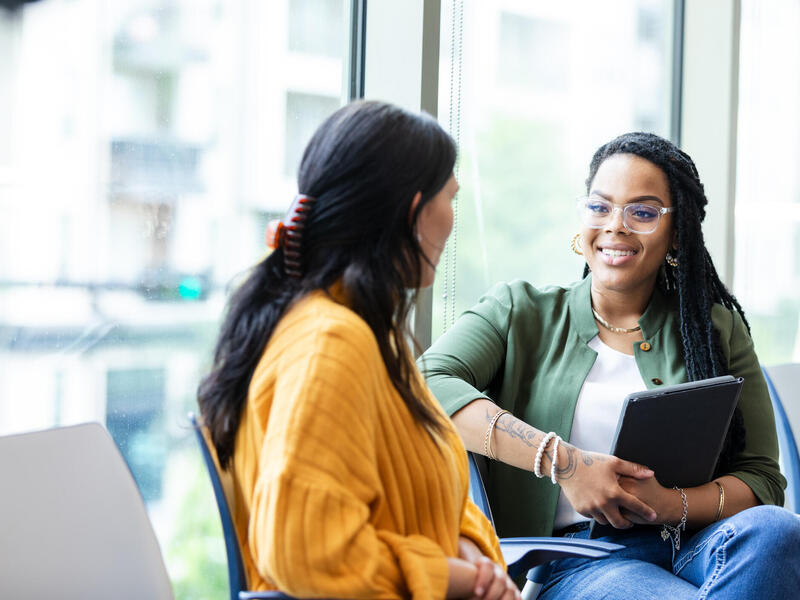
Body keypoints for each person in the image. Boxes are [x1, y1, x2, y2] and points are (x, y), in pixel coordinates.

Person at [419, 131, 800, 599]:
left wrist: (671, 505)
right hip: (583, 559)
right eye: (600, 207)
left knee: (779, 531)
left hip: (698, 544)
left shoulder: (715, 329)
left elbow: (762, 479)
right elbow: (424, 383)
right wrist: (567, 464)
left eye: (642, 212)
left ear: (677, 232)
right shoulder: (519, 311)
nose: (615, 226)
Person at [197, 100, 520, 600]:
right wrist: (452, 578)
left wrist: (472, 554)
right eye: (450, 198)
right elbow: (306, 550)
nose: (453, 220)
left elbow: (439, 500)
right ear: (415, 211)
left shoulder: (369, 334)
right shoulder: (331, 344)